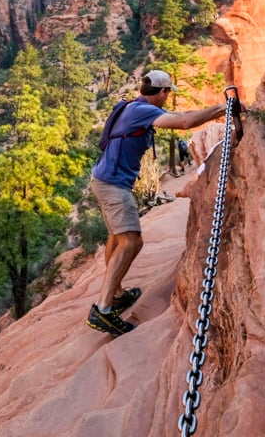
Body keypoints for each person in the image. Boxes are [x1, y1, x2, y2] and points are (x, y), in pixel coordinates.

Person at [86, 69, 228, 336]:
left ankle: (115, 294)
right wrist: (220, 108)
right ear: (162, 92)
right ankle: (103, 309)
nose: (167, 98)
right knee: (131, 241)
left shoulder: (133, 106)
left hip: (104, 179)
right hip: (113, 184)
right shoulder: (143, 111)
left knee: (117, 237)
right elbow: (184, 122)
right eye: (167, 93)